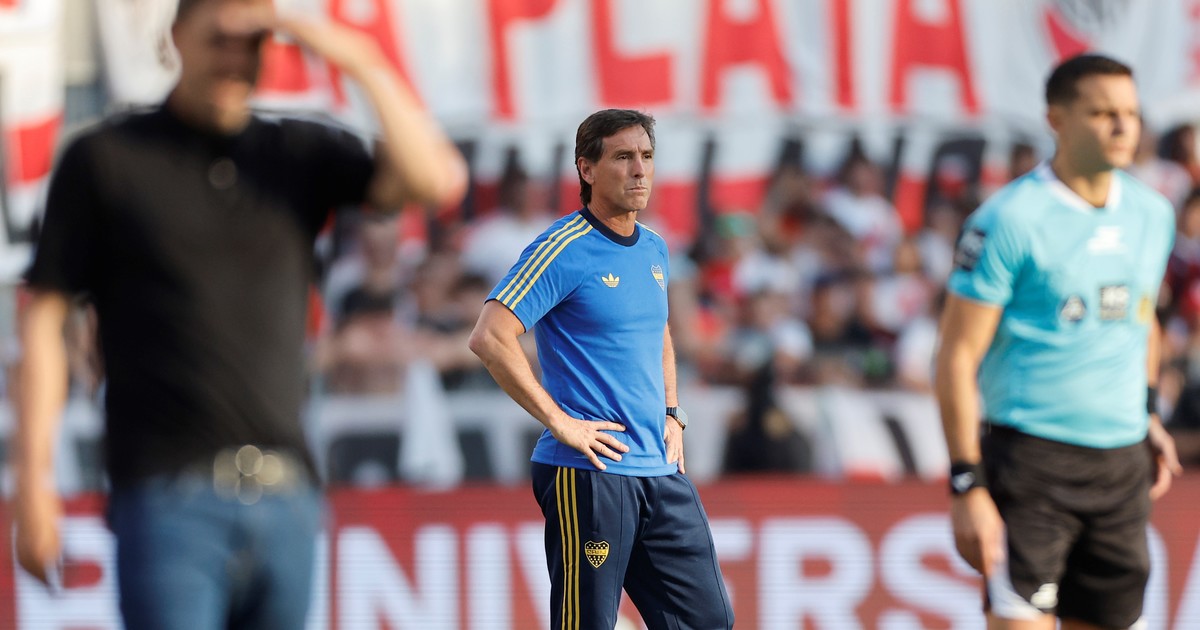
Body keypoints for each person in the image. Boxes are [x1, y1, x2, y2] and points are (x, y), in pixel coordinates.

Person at [12, 0, 467, 627]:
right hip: (166, 493)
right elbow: (44, 318)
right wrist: (32, 486)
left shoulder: (296, 151)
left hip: (286, 494)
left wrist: (358, 60)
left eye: (252, 41)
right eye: (220, 38)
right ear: (176, 37)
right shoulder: (108, 158)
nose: (235, 58)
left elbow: (435, 179)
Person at [935, 53, 1181, 630]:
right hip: (1031, 465)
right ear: (1057, 120)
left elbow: (1141, 320)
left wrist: (1146, 412)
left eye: (1130, 113)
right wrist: (966, 483)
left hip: (1121, 469)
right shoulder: (1009, 220)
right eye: (1102, 113)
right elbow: (956, 356)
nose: (1122, 127)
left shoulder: (1152, 213)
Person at [468, 109, 734, 629]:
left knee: (709, 620)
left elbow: (658, 331)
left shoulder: (655, 247)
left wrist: (673, 412)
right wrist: (559, 421)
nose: (640, 170)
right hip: (591, 471)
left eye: (647, 156)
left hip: (659, 467)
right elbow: (490, 336)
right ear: (586, 169)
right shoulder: (562, 248)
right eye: (623, 157)